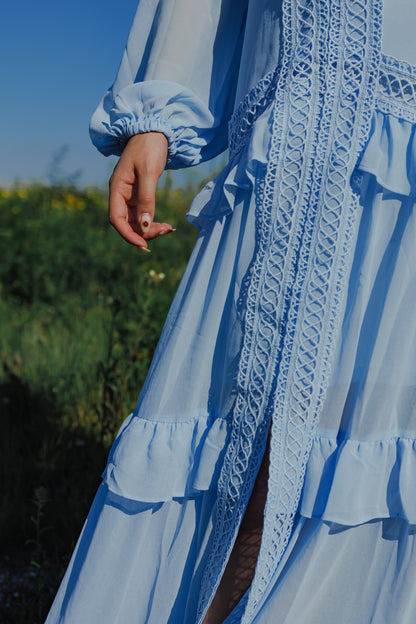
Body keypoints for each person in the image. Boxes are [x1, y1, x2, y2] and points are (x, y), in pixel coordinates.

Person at [46, 1, 416, 623]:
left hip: (400, 163)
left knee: (381, 441)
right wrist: (154, 118)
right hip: (289, 148)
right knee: (253, 446)